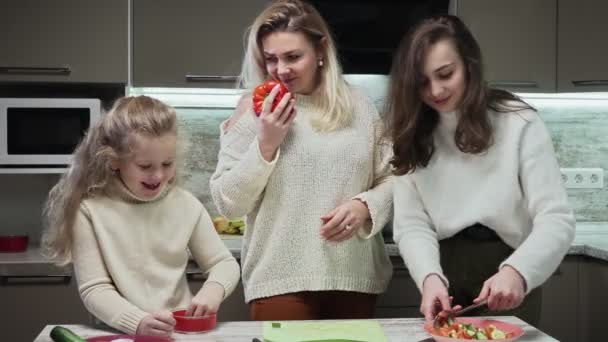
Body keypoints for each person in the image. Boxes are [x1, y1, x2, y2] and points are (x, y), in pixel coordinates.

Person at [210, 0, 393, 321]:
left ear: (321, 50)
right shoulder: (254, 111)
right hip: (279, 282)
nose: (281, 69)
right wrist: (265, 143)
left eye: (293, 57)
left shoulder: (360, 108)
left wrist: (364, 207)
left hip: (354, 279)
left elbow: (395, 180)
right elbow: (228, 203)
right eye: (271, 59)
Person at [387, 15, 575, 326]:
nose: (435, 91)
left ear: (469, 65)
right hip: (443, 268)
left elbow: (557, 218)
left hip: (508, 263)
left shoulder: (518, 121)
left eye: (445, 74)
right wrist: (429, 279)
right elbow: (412, 224)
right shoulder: (411, 134)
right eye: (422, 82)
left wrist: (518, 271)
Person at [42, 96, 240, 337]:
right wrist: (137, 322)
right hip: (119, 334)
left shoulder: (187, 205)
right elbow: (95, 289)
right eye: (145, 166)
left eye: (167, 163)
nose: (158, 175)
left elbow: (224, 263)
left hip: (178, 334)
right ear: (115, 161)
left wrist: (213, 289)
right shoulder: (89, 211)